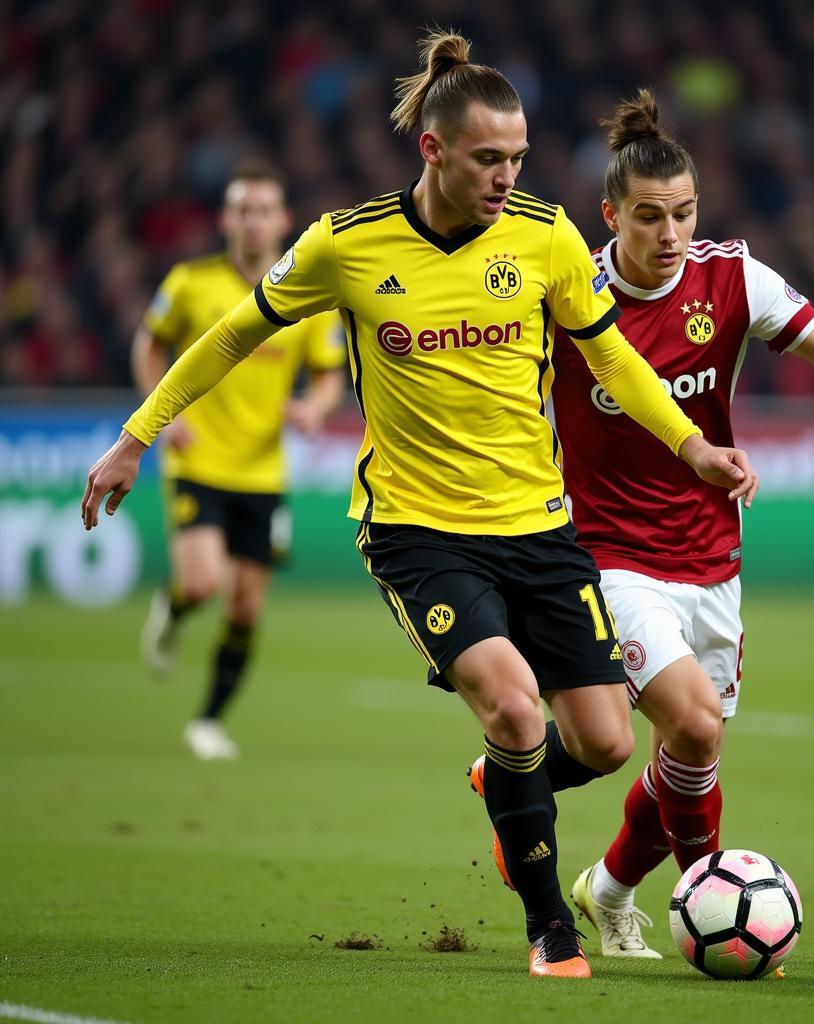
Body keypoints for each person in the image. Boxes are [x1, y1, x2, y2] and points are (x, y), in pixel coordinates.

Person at [81, 32, 758, 978]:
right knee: (518, 711)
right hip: (419, 532)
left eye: (518, 156)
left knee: (603, 742)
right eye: (489, 157)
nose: (507, 174)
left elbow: (609, 355)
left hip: (540, 525)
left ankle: (503, 786)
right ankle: (548, 931)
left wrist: (692, 446)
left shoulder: (546, 235)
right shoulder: (347, 244)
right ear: (433, 149)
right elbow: (233, 335)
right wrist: (136, 437)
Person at [551, 90, 814, 958]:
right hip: (611, 556)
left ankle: (609, 888)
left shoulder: (734, 277)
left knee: (686, 760)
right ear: (610, 215)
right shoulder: (569, 296)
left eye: (685, 213)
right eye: (650, 217)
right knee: (695, 729)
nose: (670, 234)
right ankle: (711, 919)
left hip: (713, 560)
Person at [131, 159, 345, 760]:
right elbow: (148, 344)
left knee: (246, 604)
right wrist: (164, 413)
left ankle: (208, 720)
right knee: (202, 582)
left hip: (262, 470)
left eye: (264, 211)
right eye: (242, 210)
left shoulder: (305, 297)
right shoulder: (189, 282)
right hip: (199, 462)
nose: (253, 222)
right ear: (226, 219)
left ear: (282, 220)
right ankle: (173, 609)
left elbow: (329, 377)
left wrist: (314, 408)